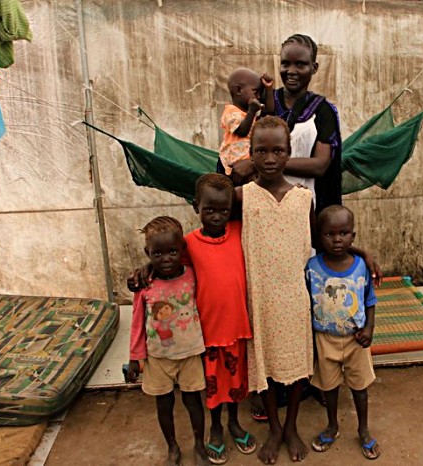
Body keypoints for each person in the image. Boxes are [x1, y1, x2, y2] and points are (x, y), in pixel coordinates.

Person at [234, 116, 314, 464]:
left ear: (288, 152)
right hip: (260, 298)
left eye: (277, 150)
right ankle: (275, 427)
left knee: (297, 365)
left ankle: (292, 425)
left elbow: (321, 245)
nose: (269, 158)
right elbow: (209, 219)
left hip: (295, 297)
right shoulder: (242, 197)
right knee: (264, 366)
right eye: (261, 150)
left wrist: (362, 253)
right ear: (249, 153)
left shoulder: (304, 199)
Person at [184, 173, 256, 464]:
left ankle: (234, 423)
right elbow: (167, 267)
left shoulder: (240, 232)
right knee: (213, 386)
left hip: (237, 328)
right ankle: (216, 428)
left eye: (223, 210)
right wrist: (145, 270)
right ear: (196, 207)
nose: (216, 216)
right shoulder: (187, 243)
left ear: (231, 210)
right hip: (209, 331)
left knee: (236, 382)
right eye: (209, 210)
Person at [126, 216, 208, 466]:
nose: (166, 259)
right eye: (157, 253)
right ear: (147, 253)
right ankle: (172, 446)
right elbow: (138, 323)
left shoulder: (194, 276)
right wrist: (134, 358)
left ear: (182, 249)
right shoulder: (145, 284)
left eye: (172, 251)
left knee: (193, 401)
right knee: (164, 404)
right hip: (158, 359)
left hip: (191, 354)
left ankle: (199, 445)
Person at [230, 33, 342, 215]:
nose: (291, 71)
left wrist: (257, 164)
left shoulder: (323, 111)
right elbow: (237, 141)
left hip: (304, 208)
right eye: (285, 63)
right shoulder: (262, 102)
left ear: (314, 68)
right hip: (261, 206)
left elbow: (320, 165)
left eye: (300, 64)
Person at [305, 205, 381, 460]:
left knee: (359, 387)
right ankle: (332, 425)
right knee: (329, 387)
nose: (337, 239)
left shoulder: (361, 266)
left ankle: (363, 429)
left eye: (344, 233)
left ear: (353, 236)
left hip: (356, 341)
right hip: (325, 340)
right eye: (329, 234)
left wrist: (369, 329)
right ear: (319, 236)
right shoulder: (312, 267)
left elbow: (370, 301)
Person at [218, 67, 274, 180]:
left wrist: (268, 89)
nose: (258, 97)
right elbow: (242, 131)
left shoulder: (250, 114)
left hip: (248, 163)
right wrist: (252, 111)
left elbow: (270, 111)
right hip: (232, 165)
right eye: (255, 92)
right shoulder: (230, 112)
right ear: (238, 90)